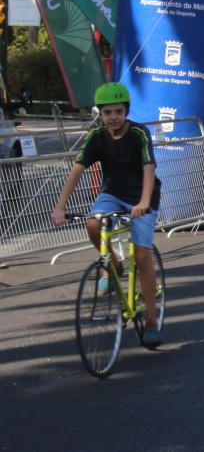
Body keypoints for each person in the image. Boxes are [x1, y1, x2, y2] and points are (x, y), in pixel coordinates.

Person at [50, 83, 164, 348]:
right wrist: (60, 206)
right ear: (100, 114)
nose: (113, 117)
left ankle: (150, 321)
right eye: (107, 112)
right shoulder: (97, 136)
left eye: (118, 111)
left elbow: (149, 168)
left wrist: (144, 202)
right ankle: (112, 265)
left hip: (142, 196)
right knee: (92, 224)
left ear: (126, 111)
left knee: (142, 254)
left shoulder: (139, 133)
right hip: (112, 193)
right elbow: (77, 170)